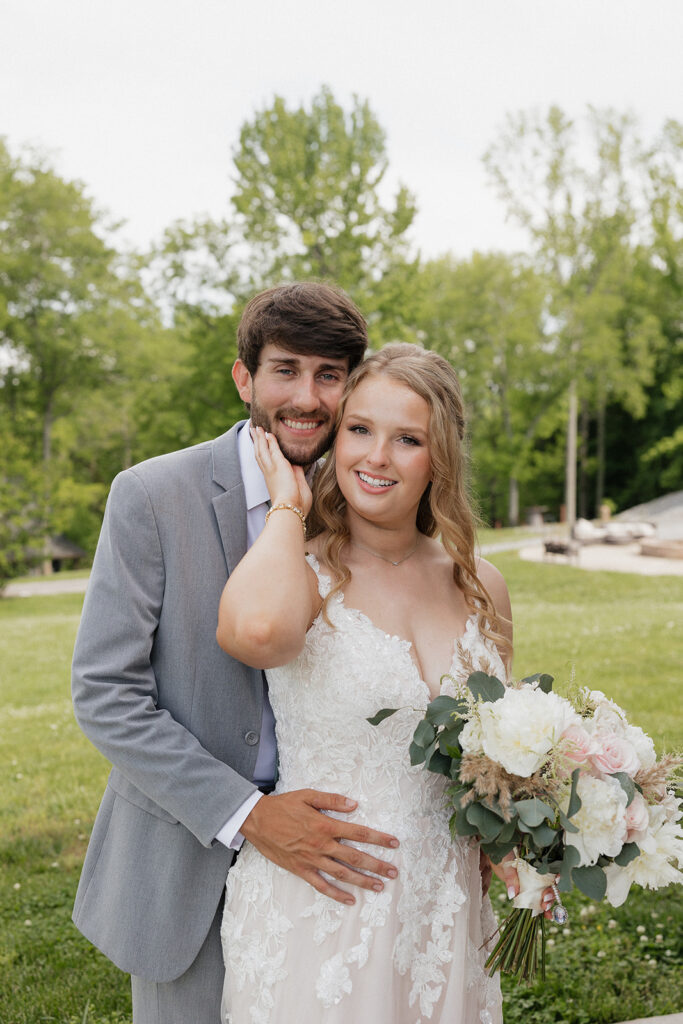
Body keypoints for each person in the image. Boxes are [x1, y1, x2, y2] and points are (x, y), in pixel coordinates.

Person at [71, 282, 403, 1024]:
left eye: (329, 374)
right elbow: (105, 693)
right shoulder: (152, 496)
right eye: (285, 370)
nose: (308, 397)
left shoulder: (371, 502)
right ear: (244, 378)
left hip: (338, 865)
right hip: (187, 855)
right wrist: (247, 814)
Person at [216, 343, 552, 1024]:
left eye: (407, 439)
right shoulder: (303, 571)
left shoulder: (480, 584)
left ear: (440, 458)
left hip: (445, 909)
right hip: (324, 907)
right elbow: (252, 633)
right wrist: (288, 501)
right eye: (359, 429)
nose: (376, 456)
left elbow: (497, 753)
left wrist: (527, 832)